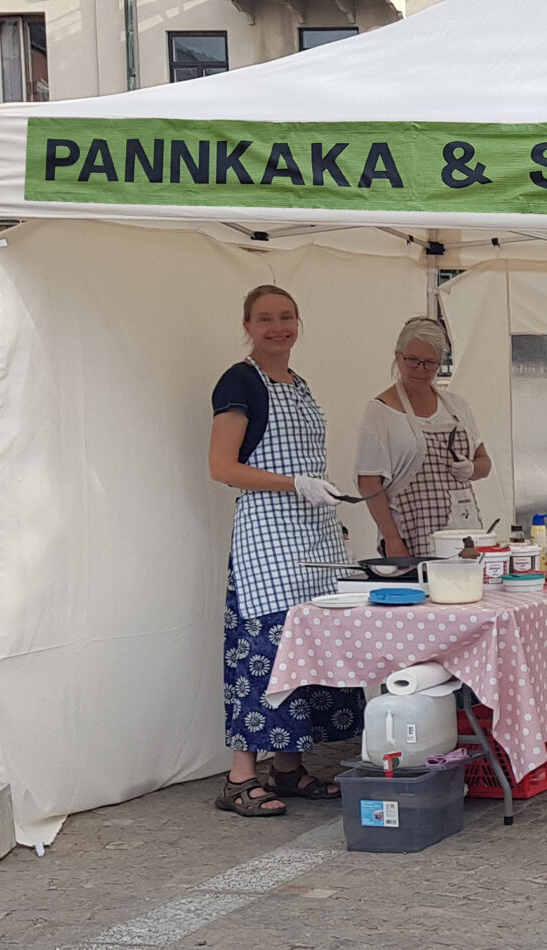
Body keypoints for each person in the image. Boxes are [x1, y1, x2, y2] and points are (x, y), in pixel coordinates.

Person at [204, 285, 362, 817]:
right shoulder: (240, 381)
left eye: (287, 317)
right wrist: (295, 485)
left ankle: (289, 769)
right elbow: (223, 467)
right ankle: (240, 776)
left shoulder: (297, 383)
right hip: (266, 539)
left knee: (310, 650)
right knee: (264, 654)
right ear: (246, 326)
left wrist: (323, 506)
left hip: (311, 534)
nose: (278, 327)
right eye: (266, 319)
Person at [354, 318, 491, 558]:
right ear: (398, 357)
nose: (420, 369)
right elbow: (369, 482)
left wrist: (470, 469)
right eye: (412, 361)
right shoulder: (381, 411)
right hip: (410, 530)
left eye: (430, 363)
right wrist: (392, 538)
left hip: (461, 528)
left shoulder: (456, 407)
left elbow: (484, 464)